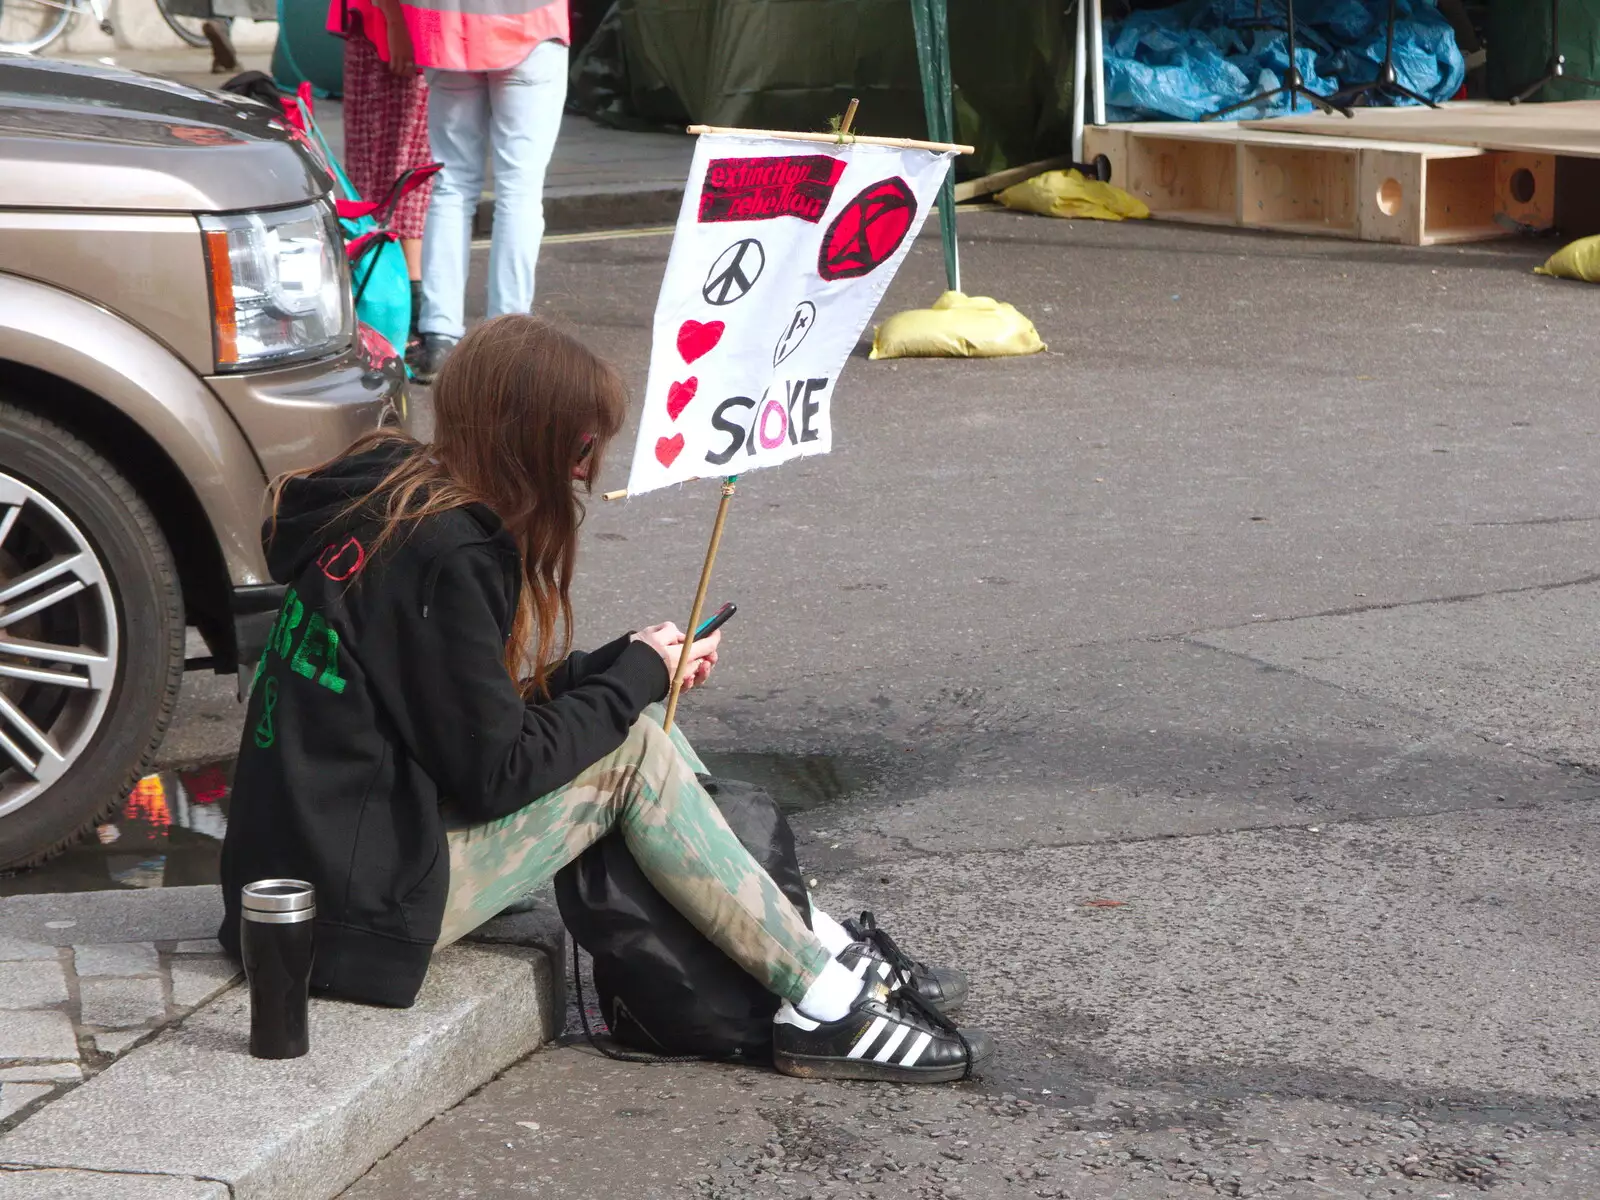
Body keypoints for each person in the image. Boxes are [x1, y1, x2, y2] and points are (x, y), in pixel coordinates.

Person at [218, 314, 991, 1083]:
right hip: (346, 916)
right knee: (631, 747)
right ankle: (824, 1003)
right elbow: (496, 774)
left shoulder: (390, 497)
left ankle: (814, 947)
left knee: (634, 715)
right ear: (531, 439)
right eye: (582, 445)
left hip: (302, 873)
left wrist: (623, 665)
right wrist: (632, 681)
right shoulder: (448, 553)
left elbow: (450, 714)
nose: (587, 472)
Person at [391, 0, 570, 382]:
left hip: (445, 29)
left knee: (451, 186)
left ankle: (440, 336)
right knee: (519, 192)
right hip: (531, 28)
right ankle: (507, 336)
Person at [327, 0, 435, 344]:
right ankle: (401, 308)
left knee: (388, 168)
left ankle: (390, 302)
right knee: (397, 170)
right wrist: (396, 23)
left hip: (395, 24)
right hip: (394, 25)